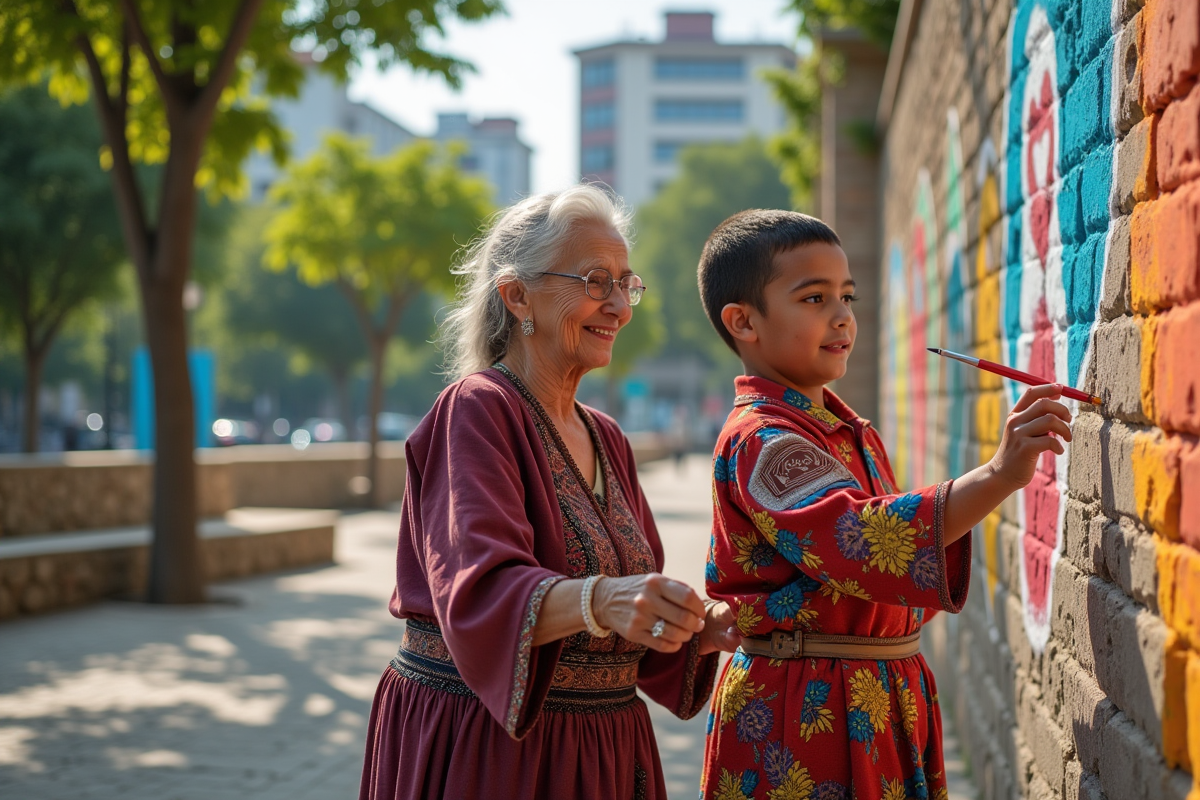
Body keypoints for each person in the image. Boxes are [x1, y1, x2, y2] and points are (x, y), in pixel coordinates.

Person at [359, 185, 739, 800]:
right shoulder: (478, 408)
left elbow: (623, 613)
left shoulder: (607, 436)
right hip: (491, 748)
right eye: (595, 281)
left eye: (626, 283)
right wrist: (603, 600)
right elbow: (479, 589)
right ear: (516, 296)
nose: (620, 305)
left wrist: (699, 630)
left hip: (604, 749)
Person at [694, 210, 1073, 799]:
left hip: (873, 695)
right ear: (743, 322)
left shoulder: (840, 428)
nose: (842, 315)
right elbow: (857, 538)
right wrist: (999, 474)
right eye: (814, 298)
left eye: (847, 295)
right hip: (805, 714)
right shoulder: (765, 442)